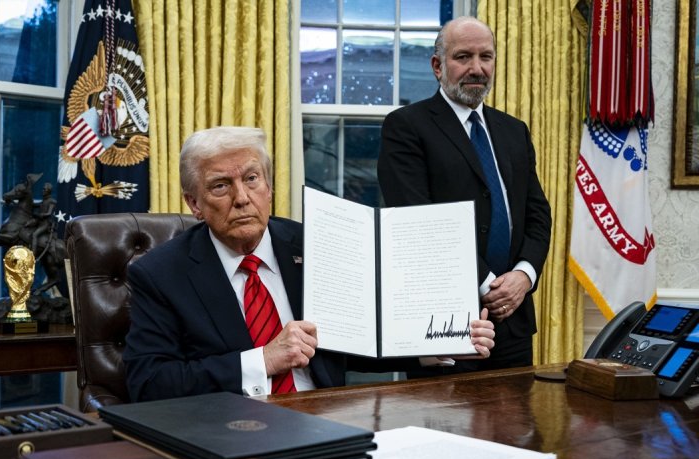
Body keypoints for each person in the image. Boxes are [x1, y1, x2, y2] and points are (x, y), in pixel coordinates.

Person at [123, 126, 496, 401]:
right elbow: (149, 382)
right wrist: (263, 360)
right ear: (194, 203)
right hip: (234, 430)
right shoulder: (160, 274)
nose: (242, 198)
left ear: (269, 188)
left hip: (329, 418)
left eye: (252, 179)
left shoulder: (315, 244)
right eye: (221, 186)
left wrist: (439, 344)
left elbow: (355, 342)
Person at [377, 17, 551, 372]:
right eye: (463, 57)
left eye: (485, 57)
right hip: (443, 327)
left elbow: (537, 214)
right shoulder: (406, 126)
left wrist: (524, 276)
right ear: (437, 65)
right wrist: (487, 284)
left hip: (514, 322)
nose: (477, 68)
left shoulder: (514, 131)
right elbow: (417, 221)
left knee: (519, 411)